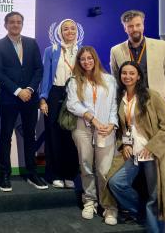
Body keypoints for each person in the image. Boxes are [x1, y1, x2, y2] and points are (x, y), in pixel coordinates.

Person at [105, 61, 165, 233]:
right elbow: (124, 127)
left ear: (138, 76)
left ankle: (154, 228)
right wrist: (124, 144)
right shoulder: (120, 98)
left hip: (154, 153)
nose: (127, 76)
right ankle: (143, 214)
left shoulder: (151, 95)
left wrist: (152, 147)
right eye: (124, 73)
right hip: (133, 152)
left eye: (132, 73)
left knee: (155, 196)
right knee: (116, 183)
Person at [0, 11, 46, 192]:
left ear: (22, 24)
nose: (15, 25)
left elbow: (39, 69)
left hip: (30, 98)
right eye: (12, 22)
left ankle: (32, 173)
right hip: (9, 98)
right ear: (5, 24)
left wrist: (29, 89)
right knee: (5, 136)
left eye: (18, 22)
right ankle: (5, 175)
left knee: (30, 136)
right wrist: (17, 91)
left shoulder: (31, 43)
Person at [66, 46, 118, 225]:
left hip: (105, 130)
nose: (86, 61)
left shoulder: (109, 80)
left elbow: (114, 105)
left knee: (104, 170)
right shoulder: (74, 81)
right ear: (79, 62)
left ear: (95, 59)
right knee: (86, 166)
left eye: (90, 58)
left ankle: (109, 207)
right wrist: (92, 119)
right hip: (83, 129)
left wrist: (112, 124)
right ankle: (90, 201)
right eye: (83, 59)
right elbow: (72, 104)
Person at [39, 19, 80, 189]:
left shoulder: (82, 51)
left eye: (72, 29)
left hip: (75, 94)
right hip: (55, 94)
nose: (69, 32)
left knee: (71, 135)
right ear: (60, 32)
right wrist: (43, 98)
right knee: (53, 135)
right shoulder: (52, 50)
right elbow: (46, 76)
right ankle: (54, 174)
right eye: (65, 29)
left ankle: (69, 174)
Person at [110, 10, 165, 102]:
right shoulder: (116, 51)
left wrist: (163, 92)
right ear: (125, 28)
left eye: (138, 25)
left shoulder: (163, 46)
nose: (135, 29)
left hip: (158, 101)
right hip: (131, 102)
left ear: (143, 25)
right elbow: (116, 77)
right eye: (130, 26)